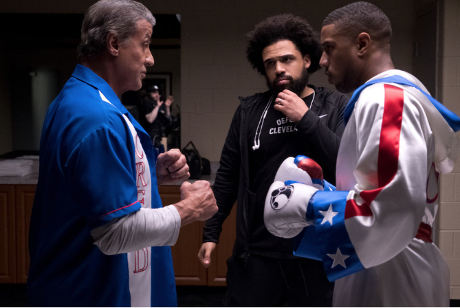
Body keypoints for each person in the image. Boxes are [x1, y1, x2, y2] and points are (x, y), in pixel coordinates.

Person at [263, 2, 460, 306]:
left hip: (393, 273)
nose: (322, 61)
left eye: (329, 48)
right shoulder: (383, 97)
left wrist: (309, 203)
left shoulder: (386, 99)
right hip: (386, 263)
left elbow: (389, 206)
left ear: (362, 44)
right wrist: (327, 192)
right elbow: (386, 192)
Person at [27, 0, 217, 306]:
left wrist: (147, 173)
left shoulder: (79, 99)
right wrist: (189, 210)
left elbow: (86, 190)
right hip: (92, 292)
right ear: (114, 43)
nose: (150, 58)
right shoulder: (96, 117)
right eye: (145, 45)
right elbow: (115, 232)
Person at [197, 14, 349, 306]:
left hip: (317, 253)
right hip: (257, 254)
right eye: (270, 63)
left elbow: (344, 163)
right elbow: (228, 176)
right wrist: (211, 233)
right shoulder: (249, 111)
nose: (279, 69)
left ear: (307, 59)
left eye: (287, 59)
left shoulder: (335, 105)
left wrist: (305, 118)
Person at [139, 85, 174, 150]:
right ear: (149, 94)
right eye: (154, 93)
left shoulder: (159, 104)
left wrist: (167, 107)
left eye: (157, 92)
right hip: (151, 137)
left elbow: (168, 117)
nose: (157, 95)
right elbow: (150, 119)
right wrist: (157, 106)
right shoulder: (146, 104)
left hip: (160, 136)